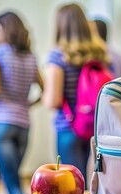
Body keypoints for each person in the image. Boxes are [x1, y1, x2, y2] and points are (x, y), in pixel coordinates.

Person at [0, 12, 43, 194]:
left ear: (4, 29)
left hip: (0, 123)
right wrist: (28, 104)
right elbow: (44, 88)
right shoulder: (30, 57)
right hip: (23, 124)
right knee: (13, 176)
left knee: (12, 183)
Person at [42, 3, 109, 182]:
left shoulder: (58, 56)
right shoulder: (99, 54)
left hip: (68, 127)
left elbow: (53, 100)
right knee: (89, 179)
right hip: (93, 126)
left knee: (73, 182)